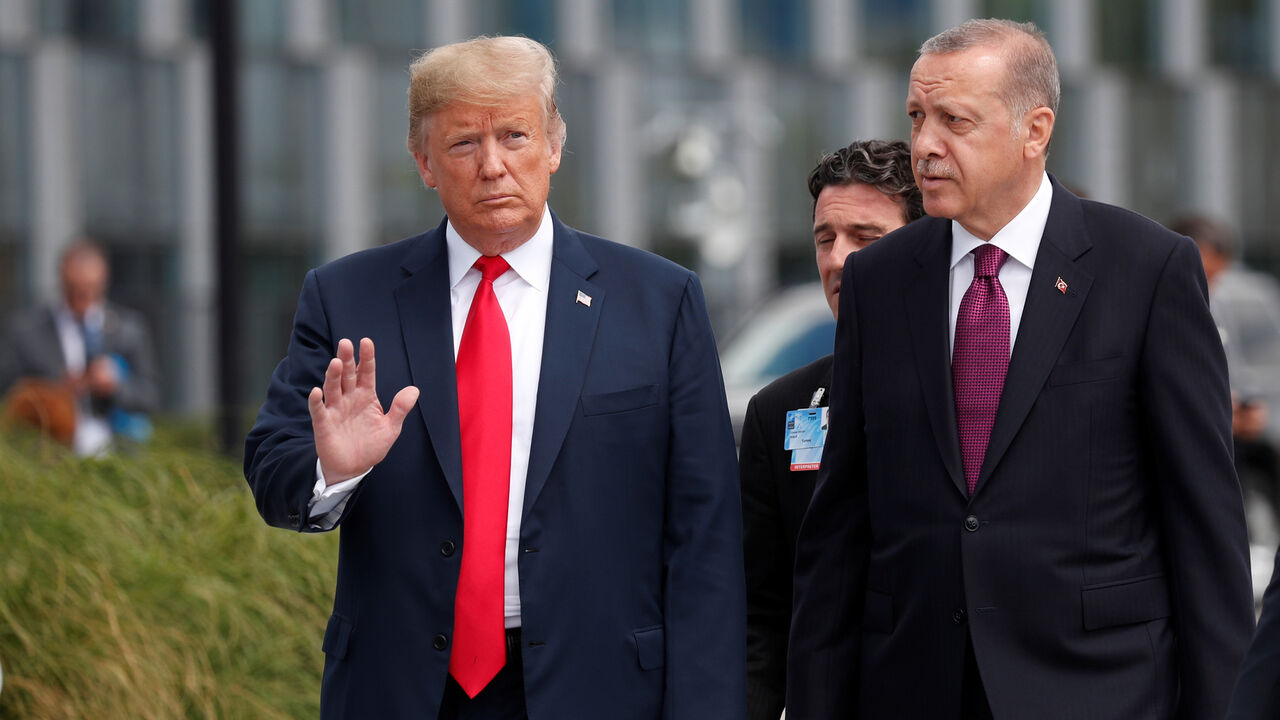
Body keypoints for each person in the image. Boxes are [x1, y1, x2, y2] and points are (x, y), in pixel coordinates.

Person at [243, 36, 744, 720]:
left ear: (554, 147)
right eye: (463, 145)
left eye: (515, 135)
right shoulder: (347, 298)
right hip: (402, 691)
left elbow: (706, 534)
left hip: (601, 687)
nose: (493, 166)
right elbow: (274, 470)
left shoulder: (657, 301)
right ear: (424, 162)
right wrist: (333, 472)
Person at [787, 19, 1253, 719]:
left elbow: (1205, 528)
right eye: (916, 118)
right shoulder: (880, 282)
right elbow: (841, 528)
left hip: (1101, 690)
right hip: (914, 688)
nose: (924, 146)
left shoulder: (1146, 269)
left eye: (954, 121)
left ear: (1035, 131)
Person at [738, 138, 922, 720]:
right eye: (826, 238)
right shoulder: (782, 409)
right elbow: (761, 615)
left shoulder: (983, 387)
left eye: (865, 237)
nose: (838, 258)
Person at [0, 239, 158, 455]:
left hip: (118, 453)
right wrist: (55, 391)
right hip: (50, 454)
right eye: (73, 289)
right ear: (61, 281)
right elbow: (9, 392)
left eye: (90, 289)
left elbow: (150, 396)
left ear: (104, 282)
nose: (82, 299)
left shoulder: (128, 330)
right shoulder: (27, 331)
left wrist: (114, 386)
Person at [1172, 214, 1280, 525]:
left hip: (1223, 450)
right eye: (1204, 275)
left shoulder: (1216, 306)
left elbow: (1236, 369)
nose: (1209, 287)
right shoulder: (1146, 308)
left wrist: (1246, 406)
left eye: (1216, 278)